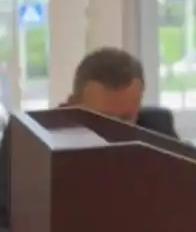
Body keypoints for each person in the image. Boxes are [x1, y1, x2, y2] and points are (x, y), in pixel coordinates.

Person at [0, 47, 179, 229]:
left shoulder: (157, 130)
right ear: (71, 105)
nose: (115, 130)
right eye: (103, 118)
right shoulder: (26, 143)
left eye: (126, 118)